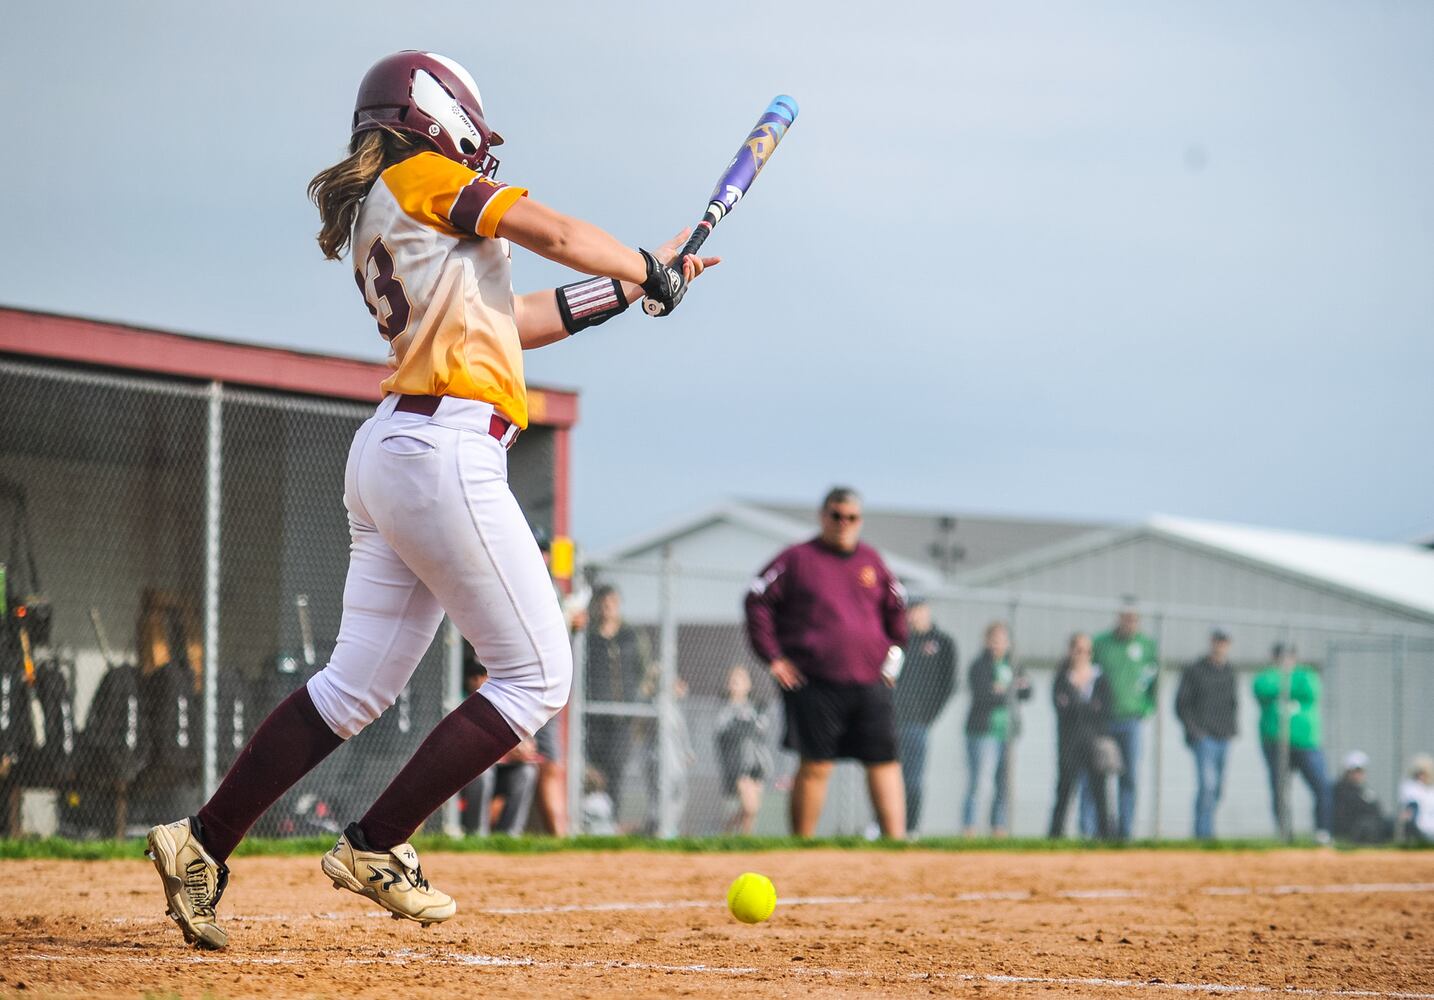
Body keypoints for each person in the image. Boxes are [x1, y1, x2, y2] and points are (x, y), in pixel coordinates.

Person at [143, 50, 716, 950]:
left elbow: (514, 323)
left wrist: (634, 282)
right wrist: (649, 262)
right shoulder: (424, 175)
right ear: (434, 115)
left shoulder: (393, 200)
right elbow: (555, 230)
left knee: (354, 687)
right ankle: (377, 844)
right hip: (443, 448)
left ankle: (202, 841)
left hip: (395, 449)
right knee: (538, 678)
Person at [744, 486, 909, 839]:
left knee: (884, 761)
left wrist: (893, 660)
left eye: (851, 517)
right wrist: (774, 657)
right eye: (836, 516)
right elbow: (757, 600)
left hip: (870, 681)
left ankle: (896, 844)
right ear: (823, 517)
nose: (843, 523)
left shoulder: (872, 561)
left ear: (860, 520)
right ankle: (803, 846)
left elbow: (897, 611)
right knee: (816, 764)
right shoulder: (797, 559)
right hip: (816, 681)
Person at [1084, 604, 1158, 840]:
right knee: (1095, 776)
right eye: (1126, 618)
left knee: (1129, 778)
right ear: (1119, 618)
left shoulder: (1146, 646)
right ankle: (1093, 831)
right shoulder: (1101, 643)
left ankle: (1124, 834)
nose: (1130, 622)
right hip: (1103, 722)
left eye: (1134, 619)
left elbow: (1153, 679)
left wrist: (1146, 707)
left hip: (1131, 720)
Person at [584, 585, 654, 817]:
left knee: (616, 770)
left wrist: (639, 702)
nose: (608, 608)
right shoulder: (587, 637)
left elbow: (645, 672)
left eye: (612, 603)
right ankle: (589, 818)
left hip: (622, 718)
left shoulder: (631, 636)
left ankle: (611, 820)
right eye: (603, 604)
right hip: (591, 715)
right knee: (591, 770)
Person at [1253, 643, 1332, 842]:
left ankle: (1322, 833)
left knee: (1322, 787)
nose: (1285, 661)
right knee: (1280, 790)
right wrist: (1285, 685)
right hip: (1276, 743)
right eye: (1281, 656)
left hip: (1305, 743)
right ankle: (1284, 834)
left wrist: (1281, 687)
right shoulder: (1266, 676)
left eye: (1289, 656)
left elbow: (1310, 690)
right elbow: (1262, 688)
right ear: (1274, 658)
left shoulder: (1306, 675)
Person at [893, 597, 956, 836]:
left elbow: (947, 684)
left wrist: (928, 716)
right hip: (891, 721)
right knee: (887, 776)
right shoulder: (899, 641)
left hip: (917, 722)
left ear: (927, 611)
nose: (913, 616)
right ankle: (885, 826)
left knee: (913, 779)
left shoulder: (943, 643)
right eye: (909, 611)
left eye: (917, 611)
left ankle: (910, 828)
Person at [963, 621, 1030, 837]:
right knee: (978, 782)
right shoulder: (979, 665)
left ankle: (998, 828)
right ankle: (969, 828)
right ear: (986, 641)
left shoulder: (1014, 664)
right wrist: (1010, 691)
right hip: (982, 732)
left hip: (1007, 732)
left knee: (1003, 783)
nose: (997, 644)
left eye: (1001, 640)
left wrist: (1003, 690)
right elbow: (983, 695)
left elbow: (1028, 691)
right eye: (993, 640)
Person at [1174, 628, 1239, 839]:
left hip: (1223, 737)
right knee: (1207, 786)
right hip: (1204, 738)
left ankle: (1206, 830)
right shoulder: (1195, 670)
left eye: (1225, 641)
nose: (1221, 645)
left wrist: (1232, 729)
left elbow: (1233, 703)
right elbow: (1181, 704)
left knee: (1217, 789)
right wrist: (1195, 731)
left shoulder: (1229, 671)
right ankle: (1203, 835)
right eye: (1218, 640)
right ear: (1211, 642)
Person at [1049, 632, 1113, 839]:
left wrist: (1077, 704)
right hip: (1069, 742)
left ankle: (1106, 836)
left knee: (1099, 792)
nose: (1083, 655)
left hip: (1093, 741)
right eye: (1078, 650)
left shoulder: (1099, 678)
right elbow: (1062, 708)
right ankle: (1055, 836)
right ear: (1071, 652)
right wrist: (1087, 706)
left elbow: (1104, 709)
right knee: (1065, 790)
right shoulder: (1062, 677)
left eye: (1087, 651)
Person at [714, 664, 772, 834]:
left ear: (749, 685)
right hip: (739, 765)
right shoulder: (725, 711)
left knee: (751, 813)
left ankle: (745, 841)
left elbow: (762, 731)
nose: (737, 684)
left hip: (757, 764)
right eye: (733, 681)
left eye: (741, 680)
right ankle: (727, 828)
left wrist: (754, 719)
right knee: (750, 807)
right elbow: (723, 733)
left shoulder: (755, 709)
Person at [1332, 751, 1392, 844]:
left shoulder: (1365, 790)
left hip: (1373, 826)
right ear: (1347, 772)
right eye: (1355, 772)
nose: (1358, 775)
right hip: (1353, 830)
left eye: (1360, 771)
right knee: (1368, 825)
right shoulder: (1341, 790)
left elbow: (1377, 809)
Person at [1399, 754, 1434, 844]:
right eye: (1419, 773)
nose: (1421, 776)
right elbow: (1410, 808)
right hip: (1419, 827)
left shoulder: (1431, 790)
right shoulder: (1411, 787)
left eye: (1424, 773)